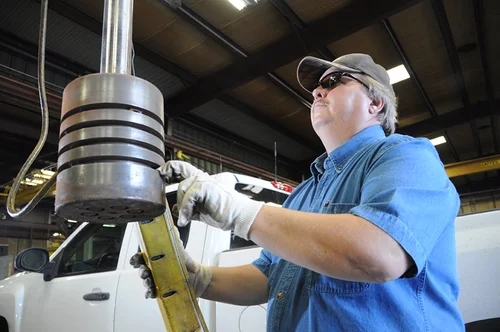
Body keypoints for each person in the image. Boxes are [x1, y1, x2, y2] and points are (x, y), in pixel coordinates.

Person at [132, 54, 464, 331]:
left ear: (375, 103)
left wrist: (239, 212)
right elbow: (269, 276)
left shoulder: (404, 156)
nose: (318, 92)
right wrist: (201, 280)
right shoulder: (305, 192)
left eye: (333, 82)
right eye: (317, 87)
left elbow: (381, 253)